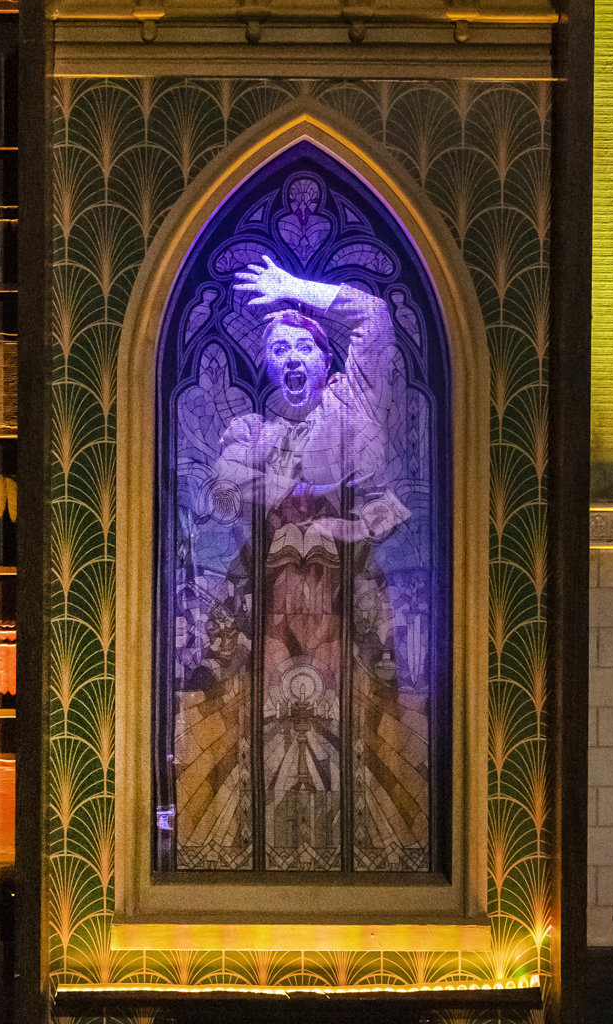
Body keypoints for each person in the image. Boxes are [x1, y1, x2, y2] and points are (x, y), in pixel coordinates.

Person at [203, 253, 421, 868]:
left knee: (353, 726)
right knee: (269, 727)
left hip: (347, 602)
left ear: (327, 360)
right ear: (267, 365)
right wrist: (270, 483)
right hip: (274, 610)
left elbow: (375, 316)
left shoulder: (357, 404)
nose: (292, 357)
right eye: (279, 348)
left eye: (304, 345)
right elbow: (220, 494)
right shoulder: (252, 433)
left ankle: (356, 859)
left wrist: (291, 287)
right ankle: (269, 857)